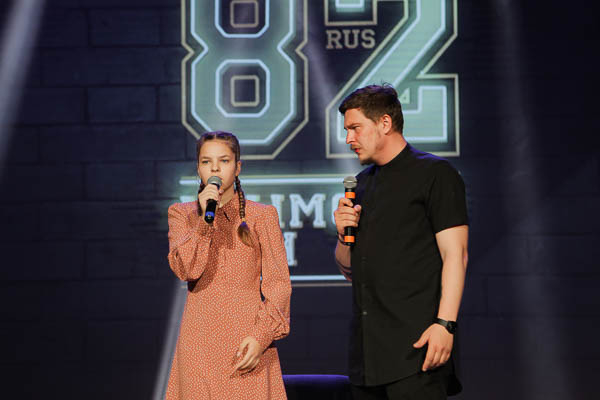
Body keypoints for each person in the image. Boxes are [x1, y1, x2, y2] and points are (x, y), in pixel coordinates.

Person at [333, 85, 469, 400]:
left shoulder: (434, 173)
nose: (348, 139)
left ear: (385, 123)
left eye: (355, 128)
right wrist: (342, 235)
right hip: (367, 358)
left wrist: (445, 324)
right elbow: (349, 271)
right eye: (347, 130)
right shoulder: (361, 185)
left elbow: (456, 254)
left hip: (417, 350)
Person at [165, 131, 291, 399]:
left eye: (223, 161)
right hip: (199, 342)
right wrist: (204, 222)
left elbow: (279, 284)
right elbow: (187, 269)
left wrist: (261, 336)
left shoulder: (262, 216)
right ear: (198, 168)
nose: (215, 169)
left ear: (237, 167)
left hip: (246, 339)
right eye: (206, 162)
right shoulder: (181, 214)